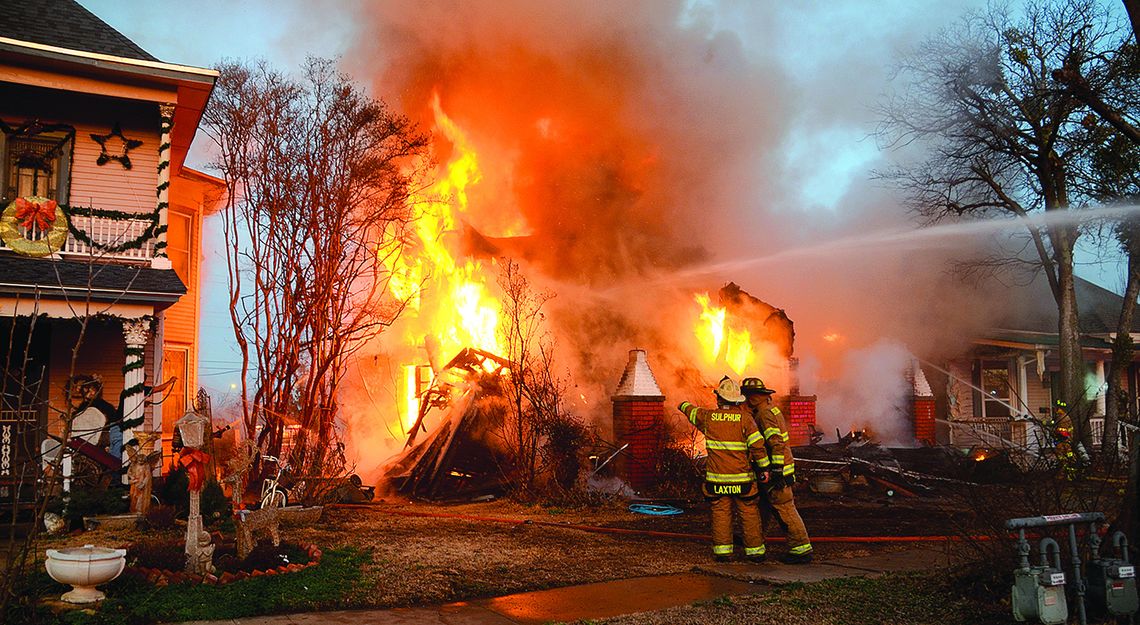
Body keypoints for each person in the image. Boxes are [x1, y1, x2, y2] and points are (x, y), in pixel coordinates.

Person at [678, 376, 771, 563]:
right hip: (743, 480)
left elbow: (691, 411)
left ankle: (723, 553)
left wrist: (682, 404)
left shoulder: (708, 418)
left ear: (719, 399)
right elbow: (757, 446)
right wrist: (764, 469)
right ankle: (755, 553)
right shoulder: (746, 420)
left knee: (720, 513)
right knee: (749, 513)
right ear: (738, 400)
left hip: (717, 480)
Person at [741, 376, 814, 564]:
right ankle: (755, 540)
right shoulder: (770, 410)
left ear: (753, 397)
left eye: (747, 396)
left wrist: (776, 471)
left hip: (778, 472)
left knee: (784, 508)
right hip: (778, 469)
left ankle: (801, 548)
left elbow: (776, 443)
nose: (745, 400)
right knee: (763, 508)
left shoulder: (764, 415)